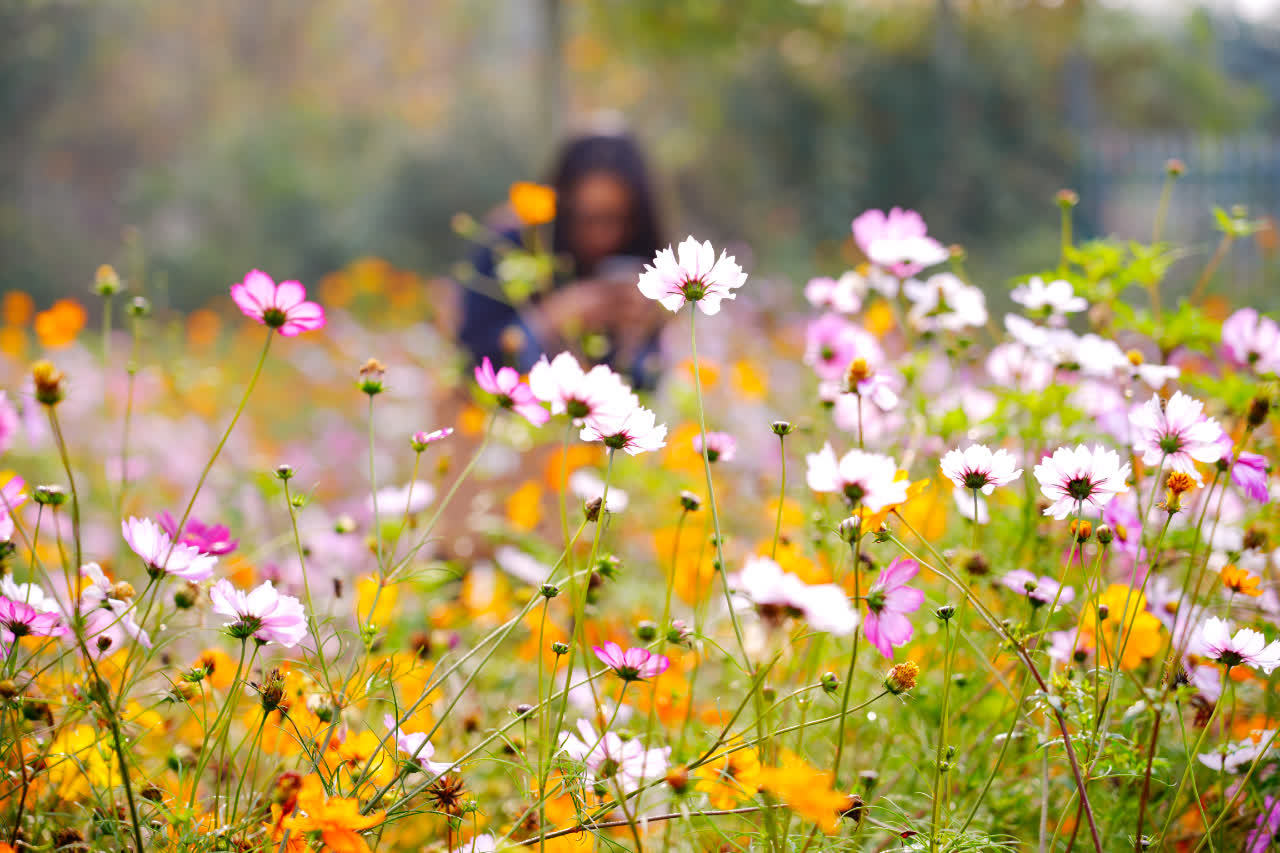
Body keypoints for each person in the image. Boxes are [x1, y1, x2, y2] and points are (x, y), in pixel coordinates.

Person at [458, 133, 669, 383]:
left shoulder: (645, 261)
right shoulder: (506, 246)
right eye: (587, 218)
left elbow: (643, 387)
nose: (601, 235)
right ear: (561, 206)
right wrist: (549, 320)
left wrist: (638, 340)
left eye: (617, 218)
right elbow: (471, 362)